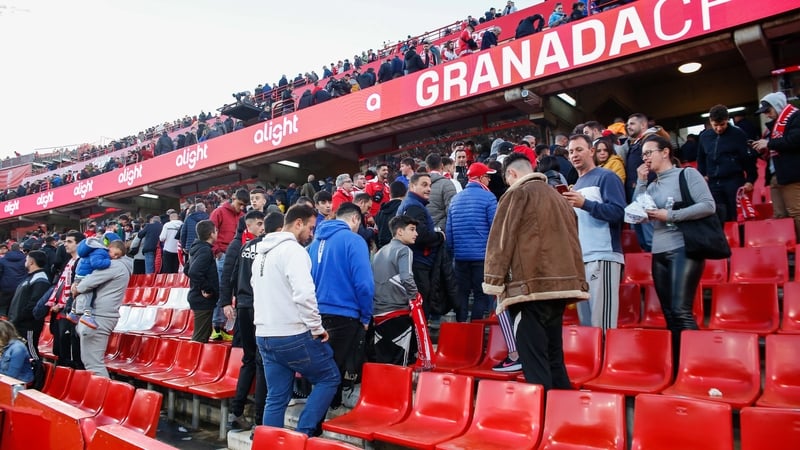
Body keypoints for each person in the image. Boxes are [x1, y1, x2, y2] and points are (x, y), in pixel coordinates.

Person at [483, 153, 589, 390]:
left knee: (534, 362)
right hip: (561, 288)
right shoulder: (559, 197)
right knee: (554, 358)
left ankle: (541, 419)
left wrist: (494, 281)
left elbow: (500, 242)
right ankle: (561, 415)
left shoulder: (516, 194)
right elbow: (574, 239)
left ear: (512, 174)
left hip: (530, 289)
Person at [252, 205, 339, 436]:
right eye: (310, 227)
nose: (312, 233)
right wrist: (316, 328)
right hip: (292, 333)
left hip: (264, 334)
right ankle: (302, 436)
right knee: (329, 377)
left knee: (276, 396)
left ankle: (270, 443)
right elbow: (304, 295)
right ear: (298, 223)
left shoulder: (260, 254)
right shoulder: (294, 251)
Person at [635, 135, 714, 367]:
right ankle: (681, 367)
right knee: (669, 313)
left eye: (649, 152)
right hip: (659, 251)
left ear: (666, 152)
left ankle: (698, 366)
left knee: (681, 310)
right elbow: (637, 212)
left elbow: (708, 205)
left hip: (684, 247)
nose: (645, 158)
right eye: (643, 155)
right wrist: (640, 182)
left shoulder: (687, 174)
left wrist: (671, 215)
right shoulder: (651, 184)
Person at [307, 202, 374, 409]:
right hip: (344, 313)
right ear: (355, 218)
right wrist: (365, 316)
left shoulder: (314, 243)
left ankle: (320, 412)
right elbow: (364, 284)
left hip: (317, 312)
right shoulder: (354, 240)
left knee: (323, 366)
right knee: (334, 370)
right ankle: (319, 419)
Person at [564, 135, 626, 331]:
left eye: (579, 149)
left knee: (603, 324)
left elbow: (618, 212)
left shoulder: (607, 176)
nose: (574, 155)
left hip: (603, 255)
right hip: (581, 260)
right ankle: (595, 361)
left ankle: (606, 361)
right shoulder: (577, 184)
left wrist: (585, 204)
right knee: (588, 326)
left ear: (591, 151)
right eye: (571, 151)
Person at [219, 210, 270, 431]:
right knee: (260, 362)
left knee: (249, 360)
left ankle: (236, 412)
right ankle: (260, 420)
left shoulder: (245, 247)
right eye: (259, 223)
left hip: (244, 307)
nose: (262, 227)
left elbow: (231, 276)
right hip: (260, 307)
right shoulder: (269, 247)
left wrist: (230, 301)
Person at [71, 241, 132, 378]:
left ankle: (103, 397)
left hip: (99, 316)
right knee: (93, 362)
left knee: (93, 364)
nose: (112, 256)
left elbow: (87, 283)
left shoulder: (114, 265)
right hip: (103, 315)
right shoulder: (123, 265)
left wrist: (77, 287)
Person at [446, 162, 497, 322]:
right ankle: (476, 331)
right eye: (487, 177)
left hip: (460, 258)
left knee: (462, 293)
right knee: (481, 295)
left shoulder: (455, 199)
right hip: (482, 257)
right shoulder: (489, 197)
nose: (489, 180)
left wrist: (452, 254)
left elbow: (449, 231)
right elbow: (495, 228)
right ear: (480, 178)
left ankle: (462, 328)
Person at [697, 104, 757, 223]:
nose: (719, 128)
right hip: (713, 182)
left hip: (734, 180)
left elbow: (747, 159)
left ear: (727, 120)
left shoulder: (738, 134)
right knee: (719, 216)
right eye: (715, 125)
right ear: (710, 121)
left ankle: (740, 238)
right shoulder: (704, 137)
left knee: (737, 214)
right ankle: (724, 240)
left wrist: (750, 179)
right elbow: (701, 158)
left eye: (722, 124)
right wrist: (702, 174)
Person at [371, 216, 419, 366]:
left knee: (383, 361)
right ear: (399, 231)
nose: (416, 233)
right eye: (412, 229)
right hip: (398, 312)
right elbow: (407, 278)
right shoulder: (404, 250)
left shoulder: (380, 252)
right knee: (399, 364)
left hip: (378, 313)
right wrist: (415, 297)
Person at [752, 92, 800, 239]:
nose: (766, 114)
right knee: (780, 215)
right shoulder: (771, 128)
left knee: (796, 211)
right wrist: (762, 150)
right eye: (764, 112)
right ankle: (789, 248)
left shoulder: (795, 117)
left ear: (777, 106)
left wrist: (769, 143)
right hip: (776, 175)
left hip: (792, 174)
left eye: (768, 110)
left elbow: (795, 141)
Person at [210, 189, 248, 341]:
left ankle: (224, 327)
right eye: (240, 204)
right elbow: (210, 232)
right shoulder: (219, 212)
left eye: (244, 205)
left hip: (238, 255)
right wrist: (217, 252)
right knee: (222, 290)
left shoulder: (243, 216)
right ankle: (216, 327)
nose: (241, 208)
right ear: (233, 198)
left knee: (232, 291)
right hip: (223, 255)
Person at [68, 237, 125, 330]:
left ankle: (73, 312)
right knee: (89, 294)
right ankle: (87, 315)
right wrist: (108, 262)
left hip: (80, 274)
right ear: (109, 247)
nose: (115, 257)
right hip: (84, 275)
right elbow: (96, 264)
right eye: (115, 253)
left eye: (118, 256)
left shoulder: (97, 251)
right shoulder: (101, 252)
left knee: (79, 295)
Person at [8, 250, 51, 355]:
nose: (25, 262)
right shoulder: (30, 277)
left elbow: (34, 303)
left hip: (28, 325)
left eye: (26, 259)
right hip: (18, 323)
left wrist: (21, 316)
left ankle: (37, 370)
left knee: (31, 352)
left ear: (31, 262)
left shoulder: (40, 279)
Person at [187, 220, 220, 343]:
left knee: (203, 335)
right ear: (211, 234)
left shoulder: (196, 248)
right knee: (199, 339)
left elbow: (187, 269)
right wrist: (207, 288)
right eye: (216, 231)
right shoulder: (205, 251)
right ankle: (190, 362)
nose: (217, 233)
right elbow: (193, 272)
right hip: (202, 299)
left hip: (197, 296)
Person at [425, 153, 458, 231]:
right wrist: (440, 227)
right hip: (442, 232)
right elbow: (452, 211)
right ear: (442, 166)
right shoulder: (447, 184)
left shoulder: (419, 185)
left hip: (424, 231)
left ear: (427, 168)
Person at [375, 181, 407, 249]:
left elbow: (376, 231)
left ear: (390, 194)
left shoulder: (380, 211)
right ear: (405, 193)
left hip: (382, 249)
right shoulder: (404, 209)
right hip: (399, 248)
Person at [0, 243, 27, 318]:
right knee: (16, 306)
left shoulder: (2, 260)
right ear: (19, 249)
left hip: (5, 286)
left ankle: (3, 324)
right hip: (20, 286)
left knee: (3, 307)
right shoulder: (25, 259)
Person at [159, 209, 183, 273]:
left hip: (168, 250)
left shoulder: (167, 225)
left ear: (170, 217)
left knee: (167, 269)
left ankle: (169, 282)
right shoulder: (182, 224)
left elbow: (162, 238)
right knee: (176, 268)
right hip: (178, 250)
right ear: (177, 217)